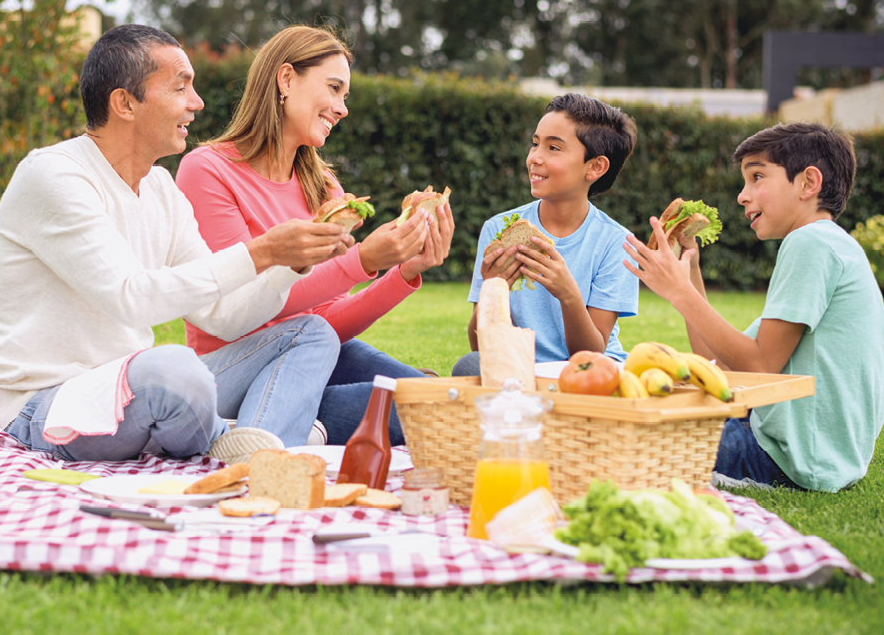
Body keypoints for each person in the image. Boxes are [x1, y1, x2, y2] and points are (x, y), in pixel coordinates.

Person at [0, 24, 356, 464]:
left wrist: (290, 263)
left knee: (311, 332)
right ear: (124, 103)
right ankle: (248, 435)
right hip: (47, 403)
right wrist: (264, 251)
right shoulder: (54, 176)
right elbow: (131, 298)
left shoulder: (160, 187)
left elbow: (223, 317)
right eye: (181, 87)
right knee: (172, 370)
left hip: (133, 389)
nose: (197, 103)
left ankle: (259, 454)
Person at [175, 24, 454, 446]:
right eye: (335, 88)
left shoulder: (325, 189)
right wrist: (363, 261)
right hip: (228, 366)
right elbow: (245, 312)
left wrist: (403, 271)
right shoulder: (208, 170)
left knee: (442, 401)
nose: (342, 108)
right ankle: (276, 430)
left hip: (311, 348)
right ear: (286, 79)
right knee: (397, 403)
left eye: (346, 96)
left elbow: (328, 321)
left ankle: (299, 427)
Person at [623, 122, 884, 492]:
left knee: (628, 440)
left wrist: (678, 292)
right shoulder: (831, 245)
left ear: (809, 183)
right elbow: (719, 364)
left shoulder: (811, 244)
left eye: (757, 176)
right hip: (807, 450)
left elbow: (761, 365)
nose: (742, 196)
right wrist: (691, 271)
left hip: (786, 458)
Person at [453, 93, 639, 376]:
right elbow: (481, 346)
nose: (534, 158)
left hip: (588, 373)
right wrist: (494, 287)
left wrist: (568, 295)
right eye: (535, 144)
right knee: (468, 366)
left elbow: (589, 355)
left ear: (595, 167)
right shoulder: (498, 229)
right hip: (519, 369)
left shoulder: (616, 243)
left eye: (554, 148)